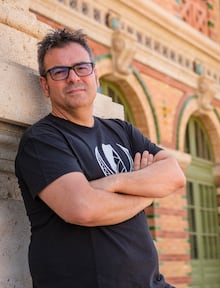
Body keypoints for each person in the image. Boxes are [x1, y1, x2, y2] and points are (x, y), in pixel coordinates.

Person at [14, 28, 186, 288]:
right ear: (45, 85)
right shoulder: (42, 140)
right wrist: (147, 191)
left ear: (95, 75)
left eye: (81, 68)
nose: (73, 78)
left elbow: (174, 175)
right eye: (59, 72)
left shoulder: (122, 130)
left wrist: (114, 183)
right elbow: (83, 208)